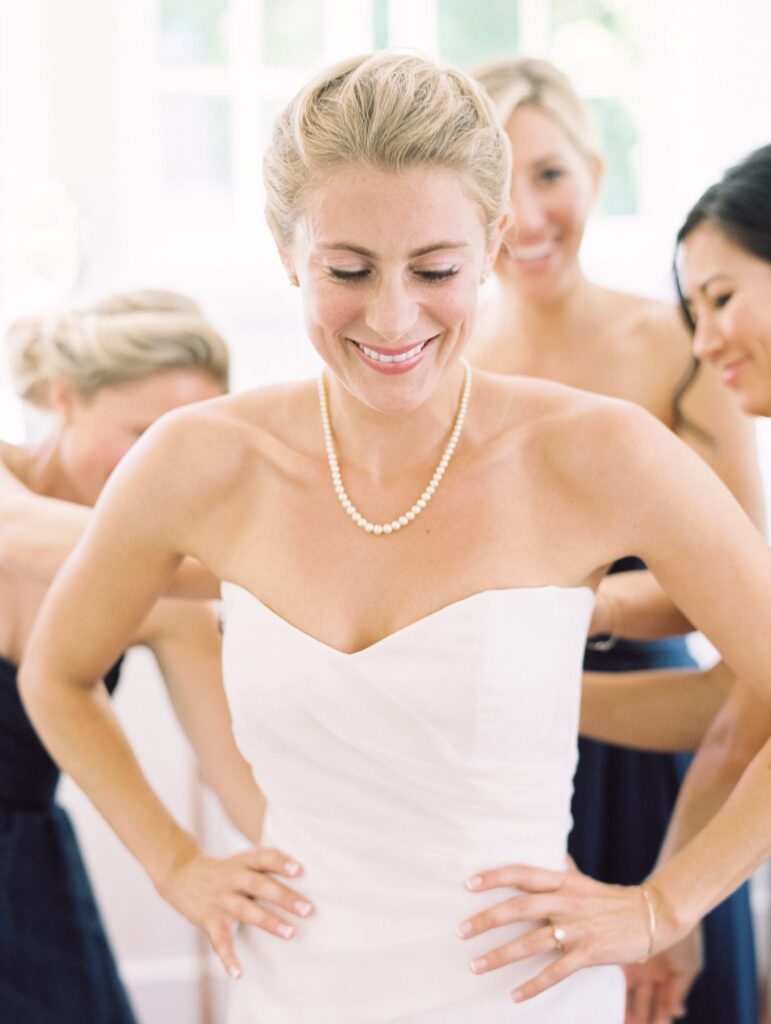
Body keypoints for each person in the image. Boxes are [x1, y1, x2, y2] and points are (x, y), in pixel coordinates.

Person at [17, 53, 771, 1024]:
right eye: (348, 269)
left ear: (493, 242)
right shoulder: (196, 461)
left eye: (436, 269)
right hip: (293, 988)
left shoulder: (601, 452)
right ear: (286, 248)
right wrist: (175, 864)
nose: (392, 315)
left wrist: (665, 904)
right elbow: (57, 674)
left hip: (522, 988)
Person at [469, 56, 764, 1024]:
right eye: (495, 180)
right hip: (501, 728)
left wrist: (577, 609)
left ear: (595, 170)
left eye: (548, 172)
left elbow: (740, 605)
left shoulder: (678, 345)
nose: (526, 209)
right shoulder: (443, 367)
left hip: (659, 718)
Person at [0, 299, 304, 1023]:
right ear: (66, 399)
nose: (159, 470)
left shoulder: (171, 592)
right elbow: (23, 533)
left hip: (19, 864)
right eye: (141, 436)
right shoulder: (45, 516)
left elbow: (245, 789)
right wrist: (266, 565)